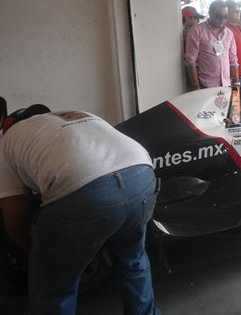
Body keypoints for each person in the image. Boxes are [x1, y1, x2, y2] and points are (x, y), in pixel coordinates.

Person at [0, 105, 160, 315]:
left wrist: (34, 250)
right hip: (142, 174)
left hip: (85, 192)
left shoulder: (6, 142)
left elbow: (14, 216)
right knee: (133, 258)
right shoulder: (75, 115)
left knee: (53, 281)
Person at [185, 0, 239, 89]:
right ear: (210, 13)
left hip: (226, 84)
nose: (222, 20)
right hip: (205, 85)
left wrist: (236, 83)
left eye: (226, 17)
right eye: (218, 16)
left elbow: (233, 59)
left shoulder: (229, 33)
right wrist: (196, 86)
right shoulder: (196, 31)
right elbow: (191, 61)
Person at [225, 0, 241, 105]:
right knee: (233, 108)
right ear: (227, 12)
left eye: (239, 11)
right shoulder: (225, 30)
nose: (238, 13)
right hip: (233, 77)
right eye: (235, 11)